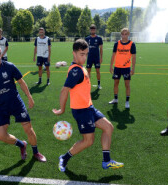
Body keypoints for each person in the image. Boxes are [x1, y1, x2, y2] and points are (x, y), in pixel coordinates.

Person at [53, 39, 124, 172]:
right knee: (88, 141)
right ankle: (64, 158)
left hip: (89, 107)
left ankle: (107, 161)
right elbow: (64, 90)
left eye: (86, 54)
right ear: (74, 53)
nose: (84, 57)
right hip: (81, 110)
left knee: (108, 127)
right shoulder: (76, 71)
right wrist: (62, 109)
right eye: (81, 54)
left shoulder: (80, 67)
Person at [0, 41, 47, 162]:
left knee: (28, 129)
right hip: (1, 106)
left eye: (0, 54)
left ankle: (36, 152)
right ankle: (21, 144)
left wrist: (29, 97)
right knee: (0, 135)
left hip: (16, 103)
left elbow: (21, 81)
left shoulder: (9, 66)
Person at [109, 28, 136, 109]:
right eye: (123, 34)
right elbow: (113, 55)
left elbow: (134, 57)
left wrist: (133, 68)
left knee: (127, 85)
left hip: (126, 68)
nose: (124, 36)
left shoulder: (132, 44)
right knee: (115, 83)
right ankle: (115, 99)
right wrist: (111, 66)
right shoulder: (116, 44)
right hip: (117, 67)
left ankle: (127, 101)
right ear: (121, 34)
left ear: (128, 35)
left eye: (126, 34)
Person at [85, 24, 103, 89]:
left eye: (94, 29)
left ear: (95, 30)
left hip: (96, 58)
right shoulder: (87, 38)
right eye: (91, 29)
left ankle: (99, 84)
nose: (93, 30)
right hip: (89, 57)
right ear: (90, 30)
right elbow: (85, 49)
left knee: (97, 71)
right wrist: (84, 56)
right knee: (88, 71)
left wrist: (101, 58)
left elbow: (101, 49)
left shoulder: (99, 38)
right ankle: (87, 84)